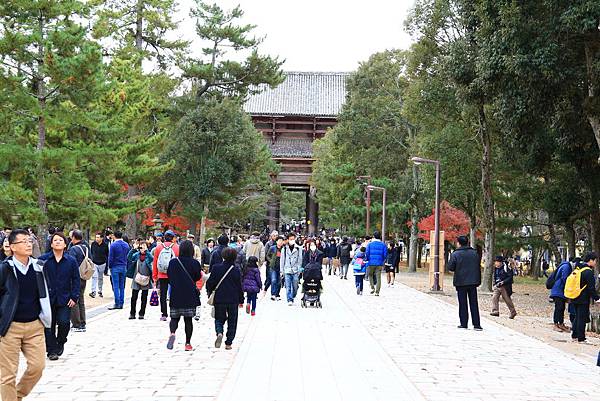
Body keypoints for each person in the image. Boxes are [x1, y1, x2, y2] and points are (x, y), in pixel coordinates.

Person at [0, 229, 52, 401]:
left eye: (29, 240)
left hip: (34, 326)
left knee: (37, 367)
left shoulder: (39, 267)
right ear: (13, 247)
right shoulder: (4, 269)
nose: (28, 244)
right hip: (10, 328)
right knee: (7, 375)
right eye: (23, 241)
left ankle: (17, 396)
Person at [39, 232, 79, 360]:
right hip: (47, 299)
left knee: (64, 323)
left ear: (65, 244)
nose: (57, 242)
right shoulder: (43, 260)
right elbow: (38, 279)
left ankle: (61, 341)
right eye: (55, 240)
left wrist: (74, 297)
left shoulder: (71, 261)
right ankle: (51, 350)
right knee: (48, 326)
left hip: (65, 298)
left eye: (60, 240)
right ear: (51, 244)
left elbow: (76, 280)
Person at [166, 240, 202, 351]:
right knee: (188, 320)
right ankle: (187, 343)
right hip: (189, 294)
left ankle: (172, 333)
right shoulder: (195, 263)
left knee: (174, 318)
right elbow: (197, 277)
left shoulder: (173, 262)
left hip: (176, 293)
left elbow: (169, 276)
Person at [206, 247, 244, 350]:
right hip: (233, 299)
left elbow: (210, 282)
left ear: (223, 256)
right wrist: (241, 300)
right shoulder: (236, 270)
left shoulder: (216, 268)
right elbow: (239, 286)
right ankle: (228, 343)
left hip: (219, 298)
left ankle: (219, 332)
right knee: (232, 321)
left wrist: (209, 292)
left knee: (219, 318)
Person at [447, 235, 482, 330]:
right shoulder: (474, 253)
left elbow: (450, 267)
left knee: (463, 303)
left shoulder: (455, 254)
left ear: (458, 243)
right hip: (473, 282)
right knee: (474, 303)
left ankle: (464, 323)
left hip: (461, 282)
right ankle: (477, 324)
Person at [570, 253, 599, 343]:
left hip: (575, 296)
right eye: (595, 261)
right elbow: (591, 288)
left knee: (577, 317)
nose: (595, 263)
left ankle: (574, 336)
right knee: (581, 318)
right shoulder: (588, 272)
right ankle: (581, 338)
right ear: (590, 260)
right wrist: (597, 298)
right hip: (583, 298)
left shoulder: (579, 269)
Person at [67, 230, 89, 332]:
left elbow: (70, 264)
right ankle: (83, 322)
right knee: (81, 299)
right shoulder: (86, 247)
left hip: (75, 277)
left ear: (74, 237)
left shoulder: (73, 249)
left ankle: (76, 323)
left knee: (74, 300)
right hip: (83, 276)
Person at [127, 242, 153, 320]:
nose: (142, 249)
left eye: (143, 247)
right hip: (136, 277)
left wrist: (147, 251)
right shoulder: (136, 255)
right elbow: (129, 257)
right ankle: (132, 313)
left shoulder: (148, 256)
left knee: (144, 297)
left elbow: (152, 258)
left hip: (146, 278)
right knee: (134, 297)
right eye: (141, 248)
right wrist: (133, 249)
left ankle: (142, 313)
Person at [107, 231, 130, 311]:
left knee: (116, 286)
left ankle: (117, 303)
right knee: (122, 286)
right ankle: (121, 302)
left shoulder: (113, 245)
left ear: (114, 236)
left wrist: (109, 266)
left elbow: (111, 257)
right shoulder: (126, 245)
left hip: (115, 266)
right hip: (124, 266)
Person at [549, 257, 574, 332]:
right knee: (559, 307)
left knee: (562, 307)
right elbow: (565, 278)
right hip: (558, 290)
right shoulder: (566, 266)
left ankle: (561, 323)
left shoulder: (566, 266)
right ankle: (556, 324)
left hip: (561, 291)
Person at [280, 232, 304, 306]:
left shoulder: (298, 248)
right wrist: (282, 271)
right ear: (288, 239)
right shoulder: (284, 248)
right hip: (287, 269)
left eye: (293, 239)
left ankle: (293, 295)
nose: (292, 240)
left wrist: (299, 269)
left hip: (295, 270)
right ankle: (289, 299)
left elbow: (300, 259)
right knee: (288, 286)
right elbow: (282, 260)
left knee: (295, 285)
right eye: (290, 239)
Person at [365, 231, 387, 296]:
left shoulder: (369, 244)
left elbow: (367, 253)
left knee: (370, 275)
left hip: (371, 262)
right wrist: (382, 260)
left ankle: (372, 287)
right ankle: (377, 292)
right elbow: (385, 254)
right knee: (378, 277)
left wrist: (368, 259)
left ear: (373, 236)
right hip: (379, 263)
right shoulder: (383, 244)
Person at [90, 232, 109, 298]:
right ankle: (93, 291)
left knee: (100, 278)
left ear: (102, 238)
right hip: (94, 263)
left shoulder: (105, 245)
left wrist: (106, 264)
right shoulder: (93, 244)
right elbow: (91, 252)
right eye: (96, 237)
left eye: (98, 237)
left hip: (102, 263)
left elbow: (107, 254)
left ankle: (100, 290)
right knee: (94, 277)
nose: (96, 238)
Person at [266, 236, 284, 300]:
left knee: (279, 282)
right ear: (276, 241)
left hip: (281, 267)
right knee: (273, 280)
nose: (280, 242)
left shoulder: (283, 249)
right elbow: (267, 255)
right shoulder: (272, 248)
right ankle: (273, 294)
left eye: (281, 241)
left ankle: (277, 294)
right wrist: (271, 261)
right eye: (279, 241)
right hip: (273, 267)